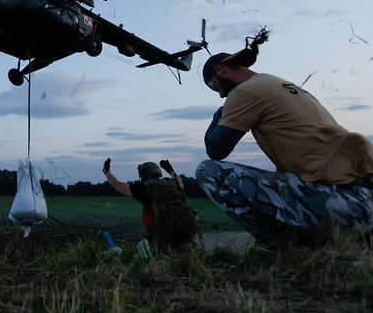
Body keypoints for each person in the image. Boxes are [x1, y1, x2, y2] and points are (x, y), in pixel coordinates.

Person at [196, 28, 373, 243]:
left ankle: (280, 246)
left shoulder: (243, 92)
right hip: (363, 198)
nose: (220, 93)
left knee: (208, 172)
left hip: (345, 207)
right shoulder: (279, 83)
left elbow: (216, 150)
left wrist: (222, 111)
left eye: (213, 86)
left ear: (220, 70)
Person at [103, 158, 198, 250]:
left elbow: (117, 185)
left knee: (146, 213)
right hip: (188, 232)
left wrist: (107, 171)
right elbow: (180, 183)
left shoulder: (143, 189)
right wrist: (170, 170)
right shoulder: (173, 184)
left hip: (165, 238)